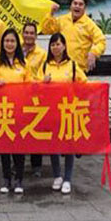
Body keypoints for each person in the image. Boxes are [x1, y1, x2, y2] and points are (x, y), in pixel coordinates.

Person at [42, 32, 87, 196]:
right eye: (53, 44)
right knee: (53, 145)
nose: (56, 47)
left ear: (64, 46)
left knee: (69, 145)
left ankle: (67, 178)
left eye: (58, 44)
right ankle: (57, 176)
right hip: (51, 111)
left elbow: (85, 84)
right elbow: (35, 87)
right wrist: (43, 83)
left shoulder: (73, 65)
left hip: (68, 110)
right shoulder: (45, 65)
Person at [0, 28, 30, 194]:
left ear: (16, 44)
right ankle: (6, 179)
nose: (9, 44)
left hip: (19, 110)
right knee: (4, 146)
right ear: (2, 43)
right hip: (2, 109)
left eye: (12, 41)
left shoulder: (23, 63)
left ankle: (19, 179)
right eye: (6, 41)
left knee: (19, 147)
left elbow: (30, 84)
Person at [40, 0, 106, 73]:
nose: (77, 6)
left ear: (84, 8)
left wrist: (93, 53)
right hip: (62, 67)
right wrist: (51, 13)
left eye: (80, 4)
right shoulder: (62, 20)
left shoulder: (89, 25)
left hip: (80, 69)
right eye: (75, 3)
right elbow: (46, 30)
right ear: (71, 6)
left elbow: (101, 41)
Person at [21, 21, 48, 177]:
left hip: (36, 97)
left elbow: (44, 73)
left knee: (35, 130)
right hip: (19, 97)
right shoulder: (17, 51)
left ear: (36, 36)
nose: (29, 35)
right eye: (27, 32)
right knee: (19, 131)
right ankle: (17, 163)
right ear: (23, 34)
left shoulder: (42, 54)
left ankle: (36, 166)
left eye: (32, 33)